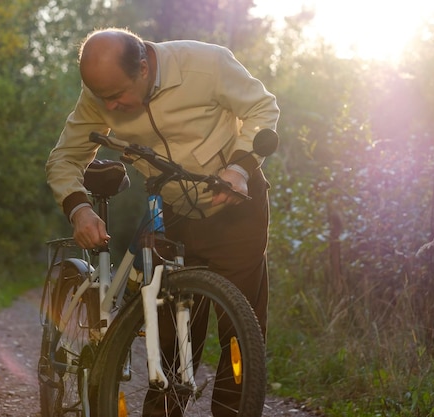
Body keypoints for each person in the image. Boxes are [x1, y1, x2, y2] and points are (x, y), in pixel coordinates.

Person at [46, 27, 279, 416]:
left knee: (241, 336)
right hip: (175, 211)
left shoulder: (205, 64)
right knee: (171, 335)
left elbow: (262, 109)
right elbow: (65, 157)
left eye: (118, 95)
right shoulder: (102, 96)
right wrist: (79, 208)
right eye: (103, 98)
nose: (112, 107)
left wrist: (240, 167)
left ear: (142, 67)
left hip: (237, 206)